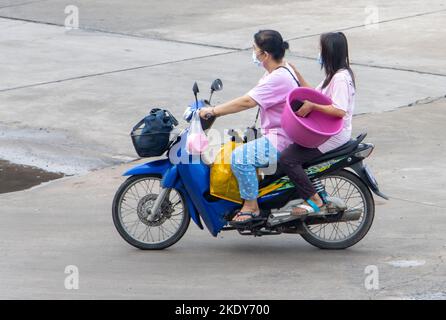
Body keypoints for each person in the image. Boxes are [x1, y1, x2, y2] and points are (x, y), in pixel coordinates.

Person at [199, 29, 299, 224]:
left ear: (265, 54)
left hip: (281, 139)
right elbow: (251, 95)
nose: (253, 53)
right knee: (233, 147)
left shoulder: (278, 78)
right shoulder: (277, 71)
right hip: (276, 134)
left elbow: (247, 101)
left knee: (240, 158)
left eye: (255, 49)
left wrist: (214, 111)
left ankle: (251, 207)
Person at [279, 31, 356, 216]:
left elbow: (339, 110)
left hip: (333, 136)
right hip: (326, 131)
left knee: (288, 159)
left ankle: (314, 200)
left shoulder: (340, 79)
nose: (319, 53)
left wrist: (312, 105)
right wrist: (296, 74)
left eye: (321, 50)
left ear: (330, 52)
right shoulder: (334, 75)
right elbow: (314, 93)